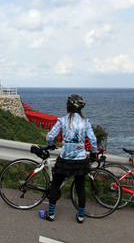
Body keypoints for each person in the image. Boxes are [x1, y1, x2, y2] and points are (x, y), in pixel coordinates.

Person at [39, 94, 97, 223]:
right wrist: (94, 152)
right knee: (80, 187)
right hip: (81, 158)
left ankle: (51, 214)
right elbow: (93, 140)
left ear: (69, 106)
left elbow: (50, 136)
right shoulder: (85, 122)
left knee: (55, 185)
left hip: (65, 158)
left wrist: (50, 145)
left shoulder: (63, 120)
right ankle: (81, 216)